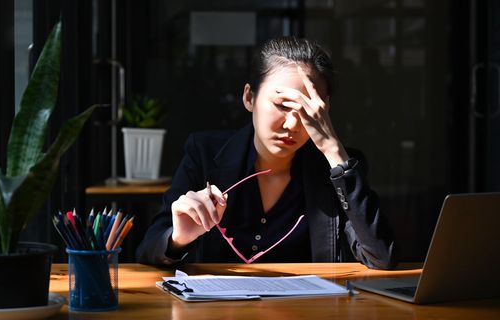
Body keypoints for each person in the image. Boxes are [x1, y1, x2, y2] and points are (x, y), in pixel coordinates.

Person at [135, 36, 396, 270]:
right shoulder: (204, 153)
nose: (293, 124)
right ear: (249, 97)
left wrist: (332, 150)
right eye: (282, 105)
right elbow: (148, 250)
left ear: (324, 111)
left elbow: (380, 257)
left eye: (307, 111)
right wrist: (179, 239)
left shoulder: (339, 169)